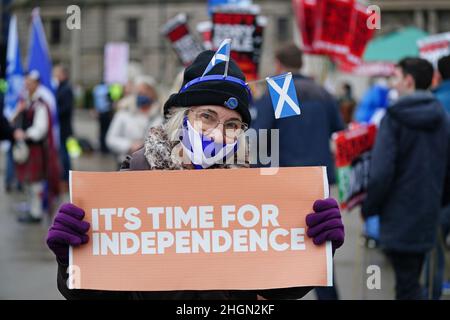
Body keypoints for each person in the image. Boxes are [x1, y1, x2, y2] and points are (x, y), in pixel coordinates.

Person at [46, 51, 345, 300]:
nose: (218, 133)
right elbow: (102, 294)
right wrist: (70, 262)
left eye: (232, 124)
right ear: (182, 117)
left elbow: (272, 292)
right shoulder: (136, 175)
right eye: (207, 117)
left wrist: (313, 249)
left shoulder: (255, 187)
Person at [251, 42, 344, 300]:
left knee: (281, 249)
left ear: (279, 64)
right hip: (318, 181)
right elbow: (339, 133)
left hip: (285, 182)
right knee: (320, 247)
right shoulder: (322, 92)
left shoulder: (280, 89)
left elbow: (260, 138)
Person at [362, 57, 450, 300]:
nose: (393, 84)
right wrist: (439, 201)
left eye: (396, 77)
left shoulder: (394, 118)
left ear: (408, 81)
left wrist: (370, 207)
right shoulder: (442, 117)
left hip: (398, 214)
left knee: (406, 285)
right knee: (413, 279)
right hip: (428, 212)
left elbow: (381, 172)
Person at [12, 70, 60, 223]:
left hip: (36, 147)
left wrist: (25, 134)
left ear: (36, 83)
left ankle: (36, 213)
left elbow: (41, 129)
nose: (27, 85)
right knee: (28, 181)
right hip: (27, 147)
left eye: (30, 82)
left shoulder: (40, 103)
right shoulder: (26, 101)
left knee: (36, 183)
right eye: (26, 82)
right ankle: (32, 209)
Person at [106, 76, 163, 164]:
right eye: (140, 92)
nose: (143, 95)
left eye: (146, 92)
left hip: (150, 166)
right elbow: (110, 139)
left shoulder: (160, 116)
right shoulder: (124, 113)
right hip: (126, 163)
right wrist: (129, 145)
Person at [53, 64, 74, 189]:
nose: (55, 76)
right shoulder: (61, 87)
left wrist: (54, 113)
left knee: (64, 153)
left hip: (64, 128)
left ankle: (66, 178)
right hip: (60, 127)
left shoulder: (66, 89)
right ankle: (64, 176)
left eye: (57, 74)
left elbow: (65, 108)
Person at [93, 82, 113, 154]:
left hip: (100, 113)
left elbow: (95, 101)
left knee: (101, 130)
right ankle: (105, 148)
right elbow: (110, 100)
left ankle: (101, 147)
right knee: (106, 131)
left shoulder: (97, 89)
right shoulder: (107, 89)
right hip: (106, 112)